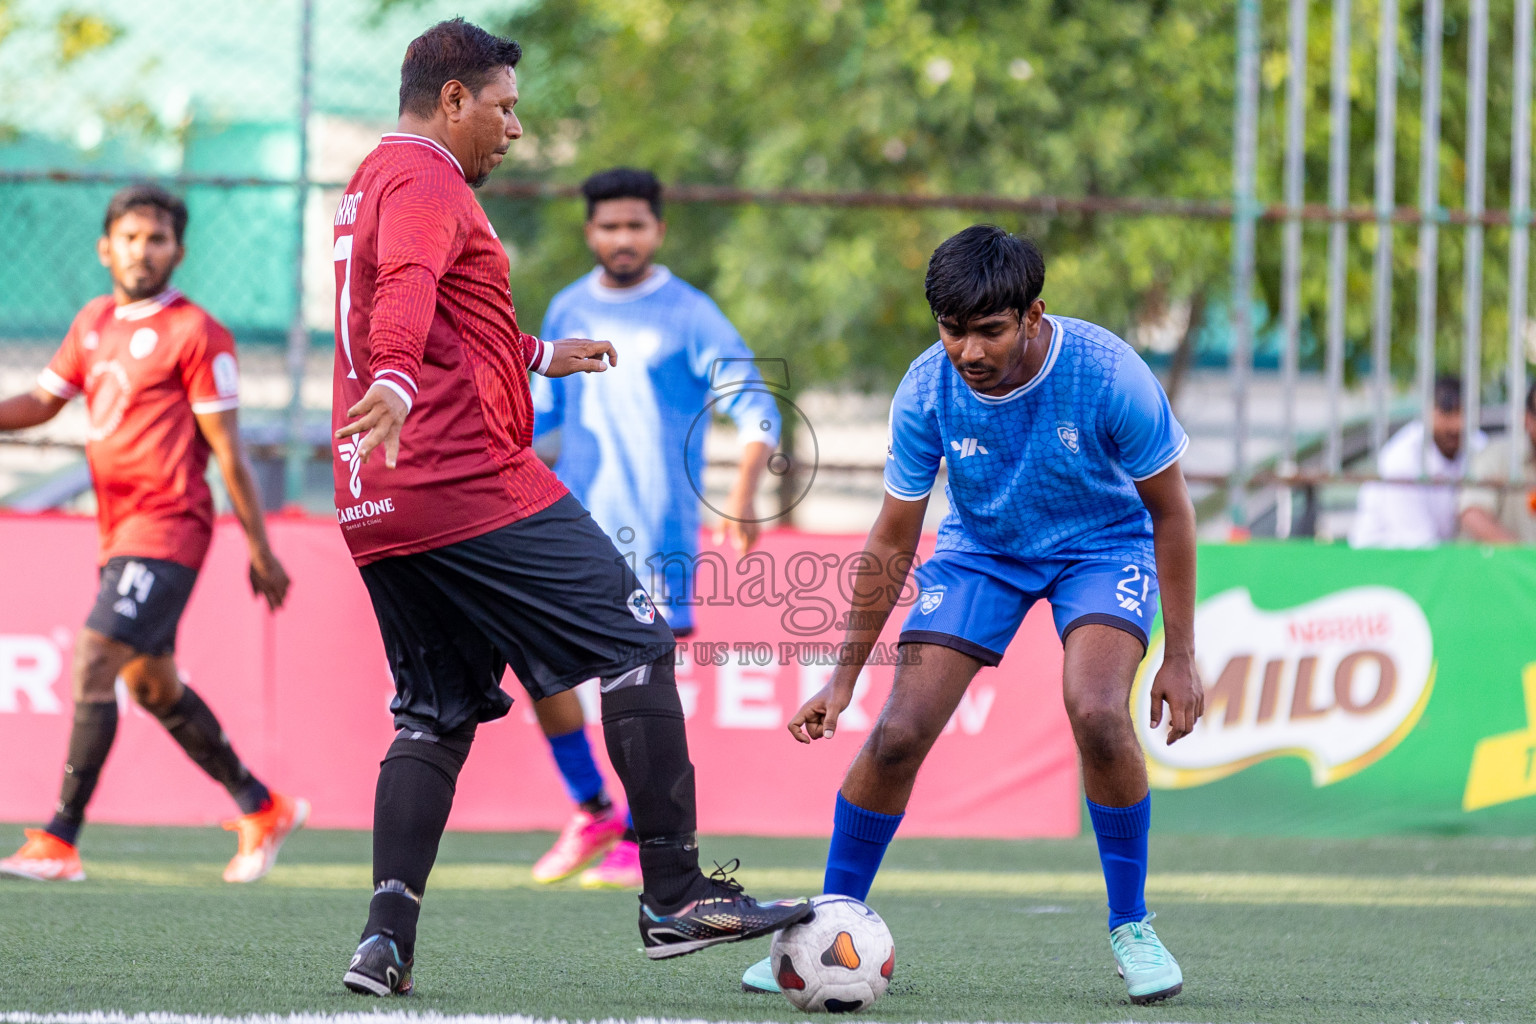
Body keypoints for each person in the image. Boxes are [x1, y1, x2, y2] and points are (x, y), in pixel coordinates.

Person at [329, 19, 808, 997]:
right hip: (464, 477)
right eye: (504, 107)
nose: (514, 126)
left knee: (432, 715)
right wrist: (396, 378)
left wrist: (544, 355)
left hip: (377, 497)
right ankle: (673, 890)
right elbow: (411, 294)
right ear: (453, 100)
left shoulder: (372, 177)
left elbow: (450, 308)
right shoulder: (429, 177)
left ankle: (384, 940)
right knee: (636, 641)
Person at [739, 226, 1203, 1006]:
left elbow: (1172, 514)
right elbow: (893, 535)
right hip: (982, 550)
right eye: (953, 331)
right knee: (895, 736)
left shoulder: (1109, 373)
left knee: (1095, 711)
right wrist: (842, 680)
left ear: (1033, 315)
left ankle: (1133, 926)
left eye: (990, 330)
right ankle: (829, 922)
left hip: (1102, 548)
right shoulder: (926, 389)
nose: (970, 351)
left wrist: (1181, 655)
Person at [0, 185, 304, 885]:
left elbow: (228, 449)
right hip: (119, 532)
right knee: (154, 685)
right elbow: (45, 402)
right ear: (106, 248)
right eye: (131, 238)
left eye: (157, 239)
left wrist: (260, 547)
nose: (143, 250)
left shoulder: (196, 332)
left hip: (169, 526)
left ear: (179, 251)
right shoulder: (93, 323)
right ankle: (261, 806)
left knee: (96, 654)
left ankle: (60, 839)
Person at [525, 167, 781, 890]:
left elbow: (757, 404)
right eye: (609, 226)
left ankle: (642, 837)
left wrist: (744, 493)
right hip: (573, 530)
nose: (623, 238)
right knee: (533, 662)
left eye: (636, 225)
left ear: (659, 231)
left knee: (629, 684)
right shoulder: (567, 307)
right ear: (590, 233)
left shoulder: (691, 313)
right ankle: (592, 807)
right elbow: (539, 420)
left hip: (658, 541)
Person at [1349, 375, 1486, 548]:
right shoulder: (1402, 458)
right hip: (1385, 561)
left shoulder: (1479, 446)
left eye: (1463, 414)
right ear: (1428, 411)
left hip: (1435, 560)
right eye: (1447, 414)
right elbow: (1419, 544)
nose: (1456, 425)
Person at [1459, 382, 1536, 544]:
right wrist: (1524, 560)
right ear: (1527, 419)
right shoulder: (1498, 455)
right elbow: (1472, 514)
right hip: (1498, 566)